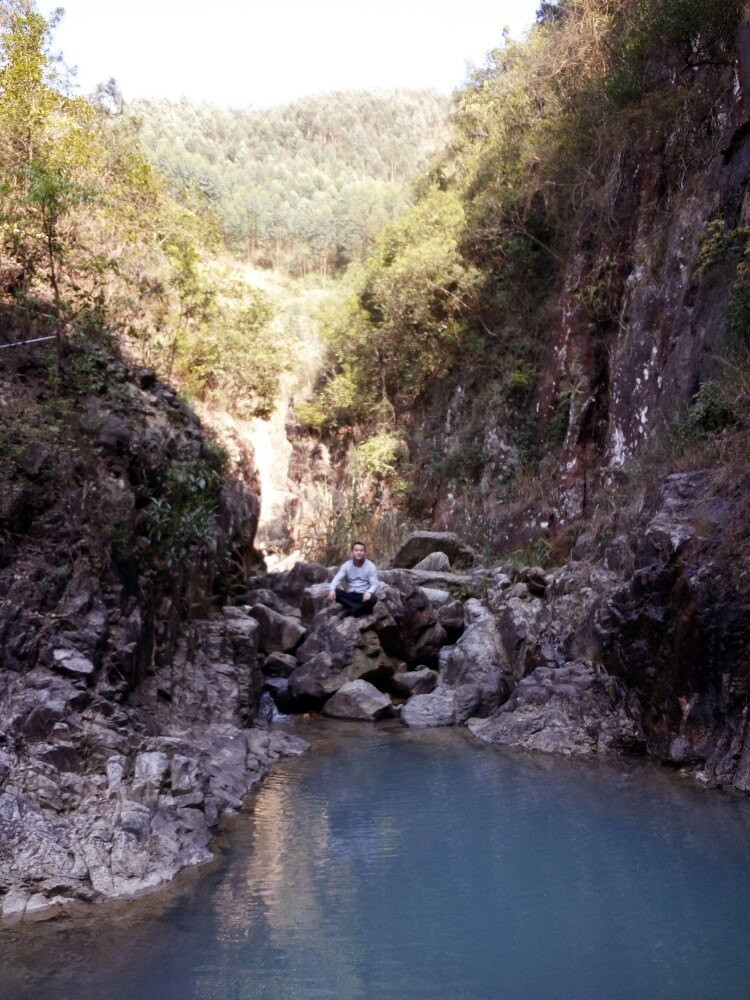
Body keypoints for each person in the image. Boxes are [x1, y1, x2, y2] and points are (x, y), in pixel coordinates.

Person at [328, 541, 379, 619]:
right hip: (350, 595)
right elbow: (337, 579)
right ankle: (356, 609)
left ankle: (349, 609)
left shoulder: (370, 566)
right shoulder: (346, 565)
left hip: (363, 596)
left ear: (364, 552)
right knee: (336, 592)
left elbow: (374, 583)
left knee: (373, 599)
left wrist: (369, 592)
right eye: (356, 550)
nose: (359, 553)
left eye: (361, 550)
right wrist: (332, 589)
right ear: (352, 552)